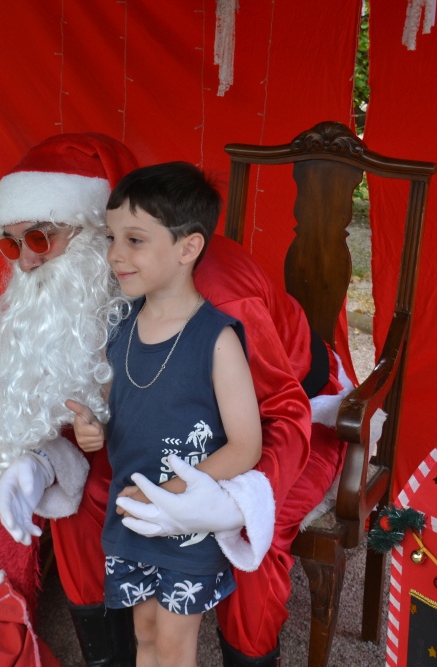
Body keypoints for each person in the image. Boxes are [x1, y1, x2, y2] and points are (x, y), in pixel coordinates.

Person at [0, 132, 355, 666]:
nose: (25, 265)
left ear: (89, 230)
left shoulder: (218, 303)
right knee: (79, 506)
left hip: (286, 408)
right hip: (165, 418)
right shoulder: (110, 286)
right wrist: (42, 461)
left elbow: (280, 416)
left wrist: (227, 498)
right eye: (10, 244)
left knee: (253, 540)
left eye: (39, 239)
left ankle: (250, 655)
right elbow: (92, 398)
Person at [67, 162, 266, 667]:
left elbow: (246, 445)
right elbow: (112, 408)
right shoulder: (120, 328)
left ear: (187, 248)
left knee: (176, 644)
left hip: (186, 519)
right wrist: (91, 427)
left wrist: (175, 494)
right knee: (146, 631)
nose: (115, 254)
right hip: (132, 513)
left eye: (134, 240)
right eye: (113, 237)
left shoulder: (216, 339)